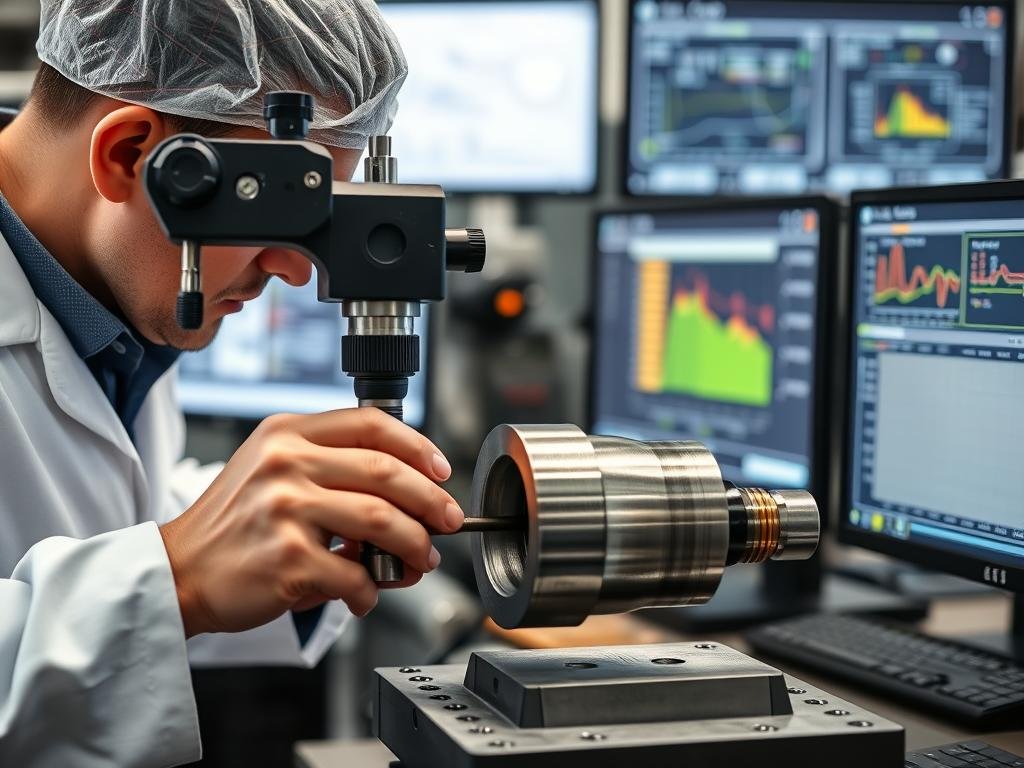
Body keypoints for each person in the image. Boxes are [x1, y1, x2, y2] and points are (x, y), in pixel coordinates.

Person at [0, 1, 465, 765]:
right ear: (130, 156)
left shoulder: (104, 287)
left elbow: (101, 517)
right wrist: (178, 579)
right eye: (277, 205)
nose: (296, 266)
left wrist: (295, 527)